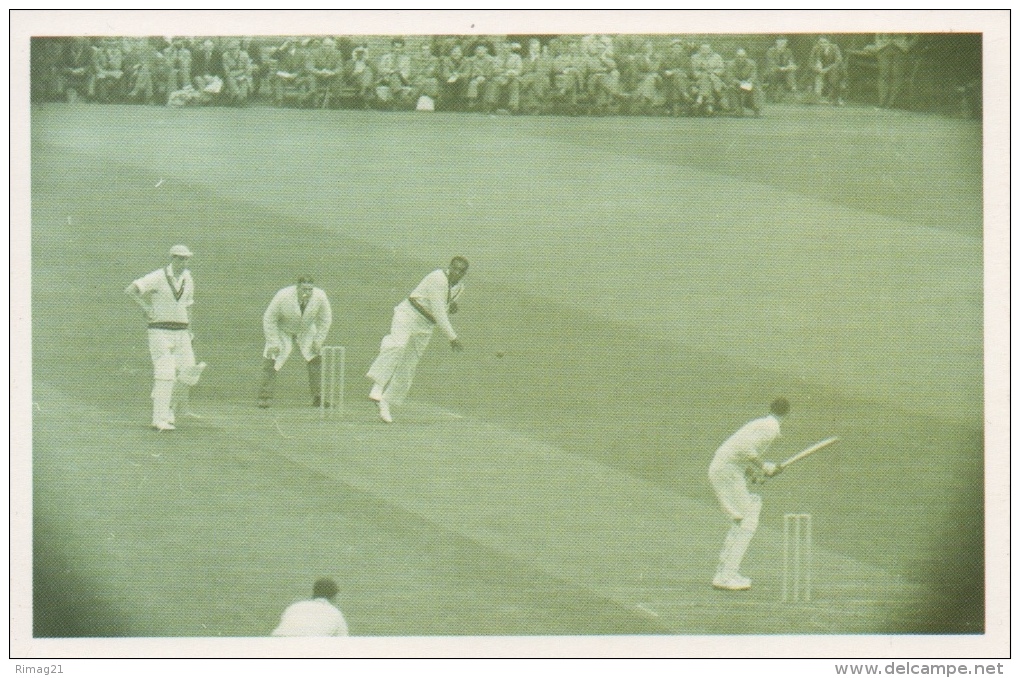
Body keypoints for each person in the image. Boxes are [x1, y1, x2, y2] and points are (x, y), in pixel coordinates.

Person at [366, 257, 468, 423]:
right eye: (454, 268)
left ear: (464, 274)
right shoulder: (437, 278)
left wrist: (452, 306)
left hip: (426, 326)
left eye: (461, 271)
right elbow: (439, 312)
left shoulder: (460, 287)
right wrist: (453, 338)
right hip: (408, 314)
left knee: (408, 367)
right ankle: (377, 387)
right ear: (449, 267)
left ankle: (386, 402)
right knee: (397, 345)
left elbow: (446, 304)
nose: (457, 272)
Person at [708, 397, 790, 591]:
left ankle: (726, 571)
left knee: (744, 516)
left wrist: (753, 473)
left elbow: (736, 451)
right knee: (748, 518)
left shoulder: (761, 424)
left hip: (727, 469)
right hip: (726, 471)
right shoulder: (770, 428)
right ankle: (726, 575)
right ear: (787, 414)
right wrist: (763, 466)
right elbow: (744, 447)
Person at [125, 245, 206, 431]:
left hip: (182, 332)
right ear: (173, 259)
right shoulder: (158, 276)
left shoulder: (188, 278)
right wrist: (145, 308)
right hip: (159, 330)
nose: (184, 262)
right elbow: (130, 290)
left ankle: (168, 408)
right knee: (165, 371)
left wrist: (189, 331)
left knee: (190, 372)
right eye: (180, 258)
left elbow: (188, 305)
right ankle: (158, 419)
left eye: (186, 259)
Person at [257, 276, 333, 408]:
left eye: (310, 289)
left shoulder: (320, 296)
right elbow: (269, 318)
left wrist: (318, 340)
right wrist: (273, 342)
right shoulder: (283, 295)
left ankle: (318, 397)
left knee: (316, 358)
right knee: (271, 358)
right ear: (297, 288)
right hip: (283, 329)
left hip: (306, 329)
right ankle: (265, 397)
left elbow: (325, 319)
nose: (307, 293)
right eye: (304, 289)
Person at [271, 578, 349, 637]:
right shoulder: (335, 613)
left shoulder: (295, 606)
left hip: (277, 644)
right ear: (334, 596)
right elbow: (343, 643)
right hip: (308, 648)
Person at [810, 36, 844, 105]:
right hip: (821, 69)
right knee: (814, 75)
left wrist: (827, 69)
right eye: (820, 43)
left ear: (829, 42)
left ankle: (836, 98)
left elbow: (838, 61)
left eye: (824, 42)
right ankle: (817, 97)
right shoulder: (816, 49)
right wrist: (817, 69)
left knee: (834, 76)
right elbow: (811, 62)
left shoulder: (835, 47)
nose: (822, 44)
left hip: (834, 68)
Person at [763, 37, 798, 101]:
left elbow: (791, 62)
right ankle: (772, 94)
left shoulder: (788, 51)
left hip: (785, 71)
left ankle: (792, 91)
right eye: (781, 43)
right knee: (772, 72)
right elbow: (771, 64)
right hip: (773, 71)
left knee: (791, 73)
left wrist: (791, 66)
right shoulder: (771, 51)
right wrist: (781, 68)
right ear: (777, 43)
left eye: (784, 43)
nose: (782, 45)